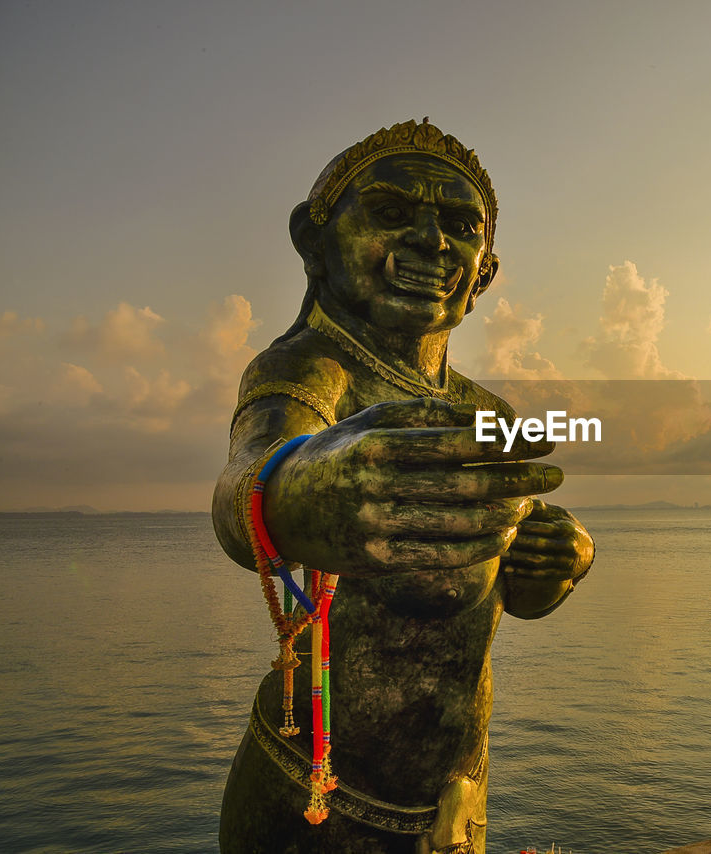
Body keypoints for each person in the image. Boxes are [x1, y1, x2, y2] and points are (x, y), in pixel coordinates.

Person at [212, 119, 594, 854]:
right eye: (391, 214)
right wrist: (296, 491)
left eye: (459, 225)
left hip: (453, 794)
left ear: (484, 269)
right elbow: (247, 482)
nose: (431, 241)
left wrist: (554, 559)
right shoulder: (309, 370)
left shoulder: (487, 413)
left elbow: (506, 591)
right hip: (314, 797)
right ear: (314, 241)